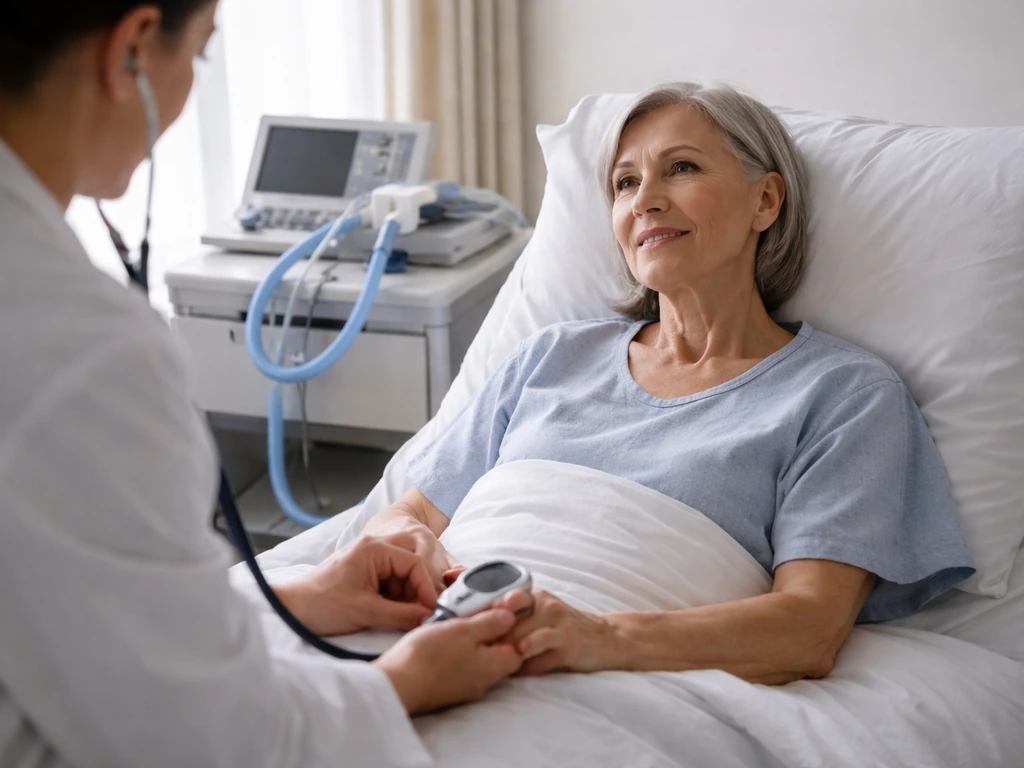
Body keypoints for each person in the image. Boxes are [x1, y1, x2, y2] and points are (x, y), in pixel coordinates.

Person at [0, 2, 531, 766]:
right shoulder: (77, 347)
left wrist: (298, 595)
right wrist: (402, 683)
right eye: (203, 56)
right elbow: (216, 742)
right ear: (131, 51)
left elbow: (76, 599)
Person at [364, 82, 976, 684]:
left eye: (680, 168)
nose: (644, 200)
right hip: (433, 634)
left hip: (609, 676)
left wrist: (596, 637)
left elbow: (808, 630)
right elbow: (409, 512)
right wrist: (405, 546)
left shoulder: (845, 395)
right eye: (625, 182)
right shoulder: (552, 356)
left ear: (765, 201)